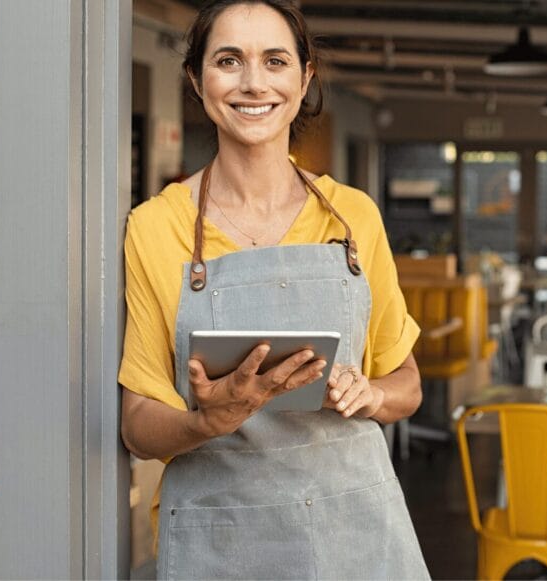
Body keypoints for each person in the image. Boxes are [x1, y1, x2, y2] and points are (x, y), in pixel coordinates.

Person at [118, 1, 428, 577]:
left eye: (275, 61)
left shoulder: (353, 217)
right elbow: (137, 423)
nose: (253, 82)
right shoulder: (155, 228)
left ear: (304, 77)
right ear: (196, 77)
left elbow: (406, 381)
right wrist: (207, 421)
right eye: (229, 60)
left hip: (353, 530)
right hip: (222, 539)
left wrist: (372, 396)